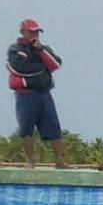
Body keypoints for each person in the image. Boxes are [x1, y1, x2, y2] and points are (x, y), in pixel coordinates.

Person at [7, 18, 67, 168]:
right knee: (26, 128)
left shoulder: (43, 48)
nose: (35, 35)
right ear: (23, 32)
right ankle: (31, 161)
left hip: (44, 94)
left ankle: (60, 160)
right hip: (26, 95)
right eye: (31, 32)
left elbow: (55, 64)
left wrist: (40, 51)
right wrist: (41, 67)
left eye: (37, 32)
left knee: (53, 127)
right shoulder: (15, 49)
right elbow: (20, 68)